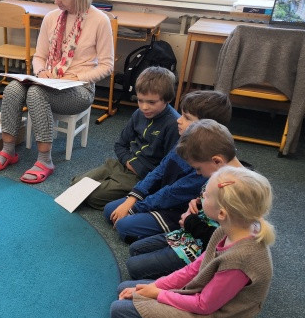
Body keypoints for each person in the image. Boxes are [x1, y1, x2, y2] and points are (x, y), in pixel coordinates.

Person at [110, 165, 275, 318]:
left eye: (207, 195)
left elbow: (204, 305)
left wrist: (158, 294)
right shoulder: (225, 229)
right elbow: (194, 269)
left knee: (119, 313)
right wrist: (157, 286)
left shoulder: (241, 258)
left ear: (222, 213)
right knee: (124, 289)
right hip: (200, 295)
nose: (201, 196)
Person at [0, 0, 114, 184]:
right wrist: (41, 71)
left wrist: (77, 78)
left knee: (36, 94)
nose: (57, 1)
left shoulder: (100, 20)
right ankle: (8, 150)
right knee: (13, 89)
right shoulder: (52, 18)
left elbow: (107, 66)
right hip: (49, 80)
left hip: (79, 89)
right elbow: (39, 56)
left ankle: (45, 160)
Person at [103, 91, 232, 243]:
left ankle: (166, 234)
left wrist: (134, 208)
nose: (179, 120)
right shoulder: (184, 140)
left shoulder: (206, 162)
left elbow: (172, 194)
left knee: (124, 226)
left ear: (207, 127)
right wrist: (132, 199)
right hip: (161, 198)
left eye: (187, 118)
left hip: (176, 210)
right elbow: (159, 170)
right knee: (109, 211)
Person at [125, 120, 247, 281]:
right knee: (135, 249)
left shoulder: (238, 192)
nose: (198, 173)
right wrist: (198, 202)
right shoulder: (219, 173)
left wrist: (190, 222)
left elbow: (225, 242)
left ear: (217, 160)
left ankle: (186, 282)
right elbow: (208, 200)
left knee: (133, 267)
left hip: (202, 250)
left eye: (198, 168)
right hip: (189, 234)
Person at [72, 66, 179, 209]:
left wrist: (141, 171)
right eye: (140, 100)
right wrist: (128, 161)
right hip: (122, 164)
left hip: (142, 177)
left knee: (94, 196)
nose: (144, 107)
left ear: (168, 99)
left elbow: (169, 167)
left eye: (151, 102)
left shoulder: (174, 125)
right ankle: (114, 185)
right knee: (76, 184)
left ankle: (132, 196)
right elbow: (120, 144)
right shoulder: (139, 114)